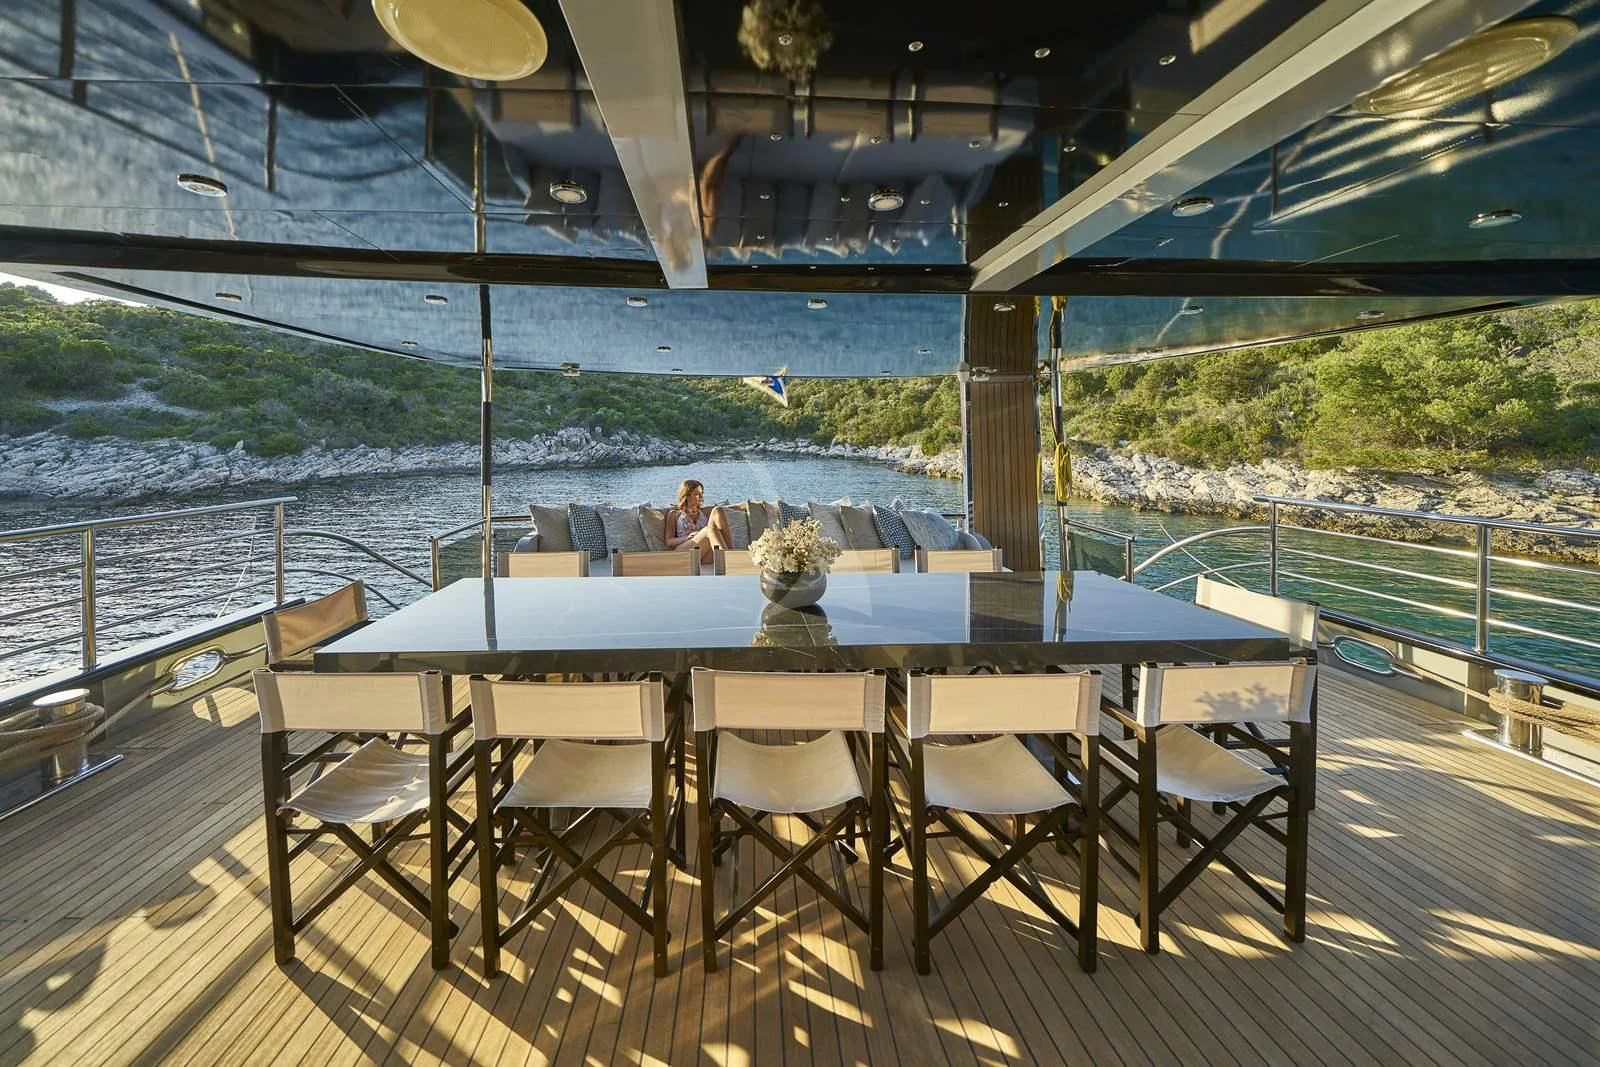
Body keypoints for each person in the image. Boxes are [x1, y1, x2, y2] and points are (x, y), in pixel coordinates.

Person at [665, 479, 732, 564]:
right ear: (687, 495)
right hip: (684, 550)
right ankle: (730, 560)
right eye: (697, 494)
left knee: (718, 510)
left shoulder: (705, 512)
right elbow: (669, 541)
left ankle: (732, 553)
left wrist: (745, 505)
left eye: (701, 493)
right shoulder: (674, 514)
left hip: (702, 553)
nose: (701, 497)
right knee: (709, 529)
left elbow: (729, 508)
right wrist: (687, 537)